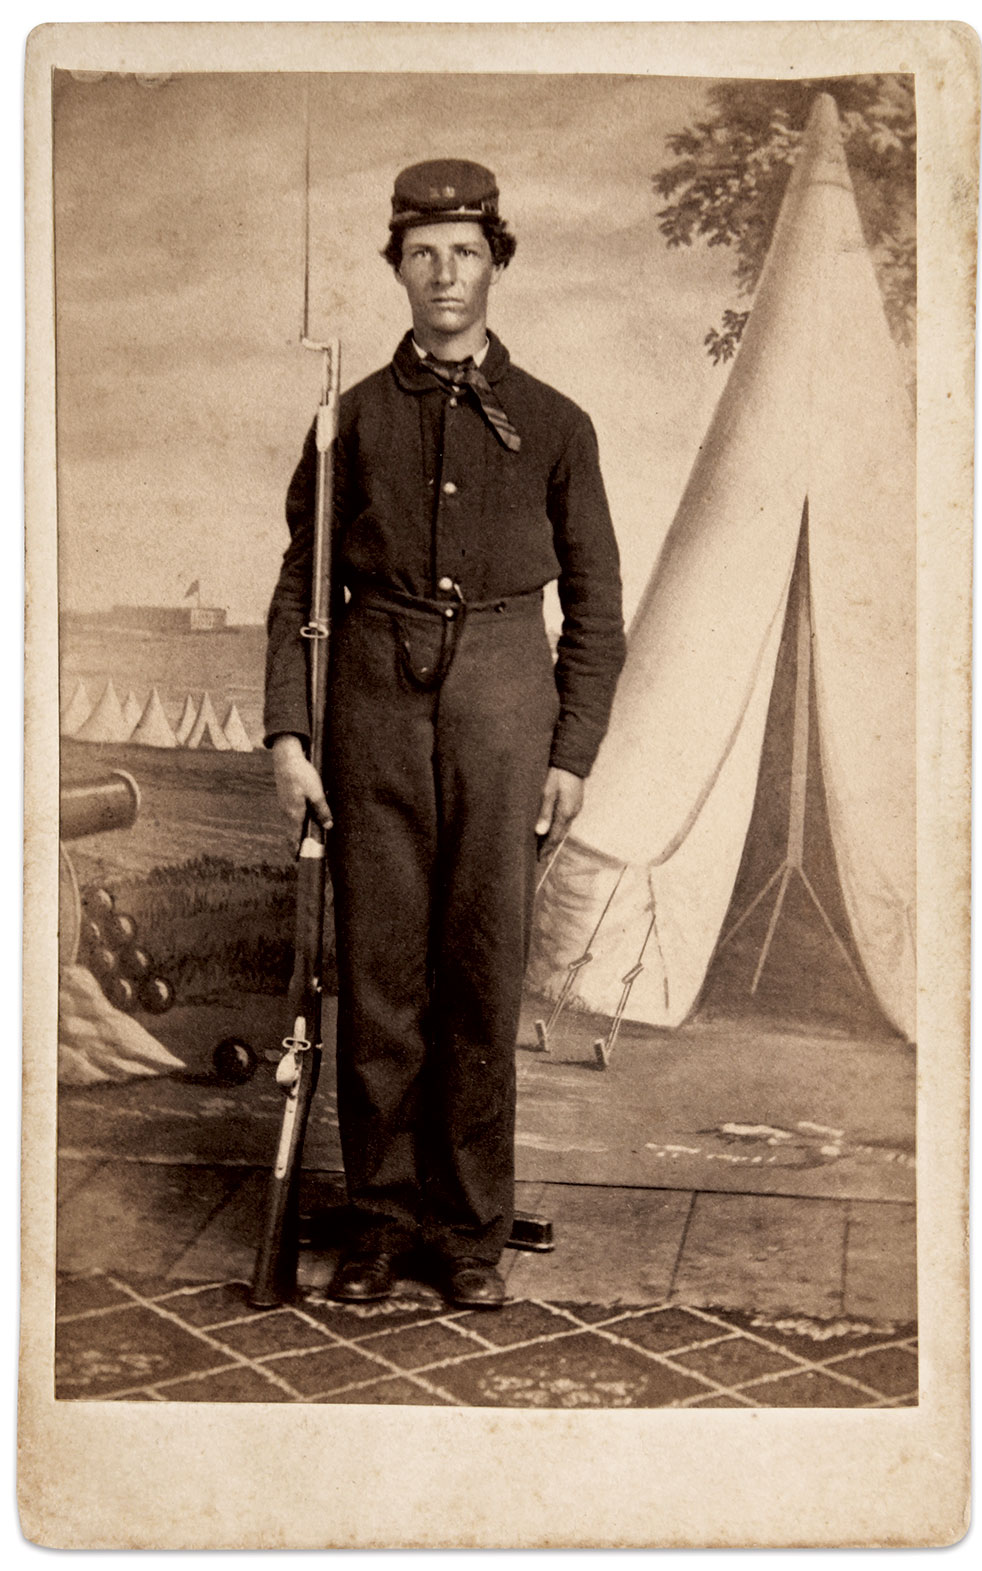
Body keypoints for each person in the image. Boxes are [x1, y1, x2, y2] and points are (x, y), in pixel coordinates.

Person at [264, 159, 625, 1310]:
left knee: (481, 979)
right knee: (377, 983)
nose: (443, 273)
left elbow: (599, 612)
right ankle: (376, 1225)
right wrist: (287, 734)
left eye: (464, 250)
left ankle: (469, 1235)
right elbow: (294, 589)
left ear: (496, 261)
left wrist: (569, 753)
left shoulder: (561, 425)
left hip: (505, 717)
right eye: (422, 251)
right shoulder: (348, 419)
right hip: (368, 711)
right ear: (397, 267)